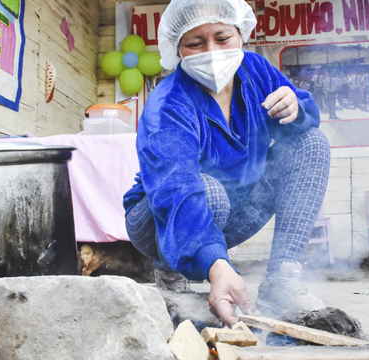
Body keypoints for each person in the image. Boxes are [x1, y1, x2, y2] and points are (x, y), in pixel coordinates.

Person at [123, 0, 331, 326]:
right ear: (176, 47)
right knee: (210, 191)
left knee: (311, 143)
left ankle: (283, 279)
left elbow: (303, 117)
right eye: (195, 43)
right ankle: (169, 267)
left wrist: (297, 108)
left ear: (240, 33)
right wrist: (221, 268)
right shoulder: (167, 103)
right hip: (158, 216)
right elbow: (175, 187)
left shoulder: (256, 70)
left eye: (222, 38)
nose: (212, 51)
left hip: (234, 207)